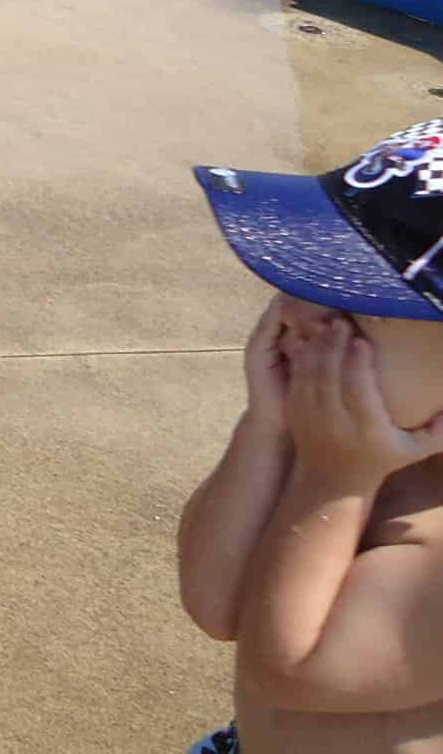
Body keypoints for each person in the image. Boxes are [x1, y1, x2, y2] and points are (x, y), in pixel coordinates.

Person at [178, 123, 443, 754]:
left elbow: (291, 670)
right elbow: (216, 605)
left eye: (356, 308)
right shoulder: (348, 439)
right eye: (305, 281)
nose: (296, 313)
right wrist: (266, 426)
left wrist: (335, 481)